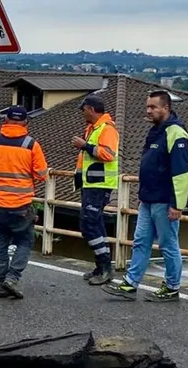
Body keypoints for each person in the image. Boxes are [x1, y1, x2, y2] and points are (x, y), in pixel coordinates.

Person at [103, 90, 188, 302]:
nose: (148, 111)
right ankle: (131, 284)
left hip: (164, 200)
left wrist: (177, 205)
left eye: (153, 107)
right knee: (140, 242)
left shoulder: (176, 133)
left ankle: (172, 287)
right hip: (148, 199)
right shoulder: (156, 132)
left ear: (166, 108)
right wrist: (143, 193)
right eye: (147, 107)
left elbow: (181, 172)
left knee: (168, 245)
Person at [0, 106, 49, 299]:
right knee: (25, 241)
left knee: (0, 243)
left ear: (5, 121)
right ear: (25, 123)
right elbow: (41, 175)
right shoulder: (31, 145)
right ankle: (12, 278)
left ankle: (0, 283)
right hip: (21, 205)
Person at [71, 95, 120, 285]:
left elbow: (108, 154)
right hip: (91, 184)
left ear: (91, 109)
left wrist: (86, 146)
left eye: (83, 109)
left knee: (89, 225)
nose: (82, 113)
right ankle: (102, 267)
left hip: (99, 185)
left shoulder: (107, 128)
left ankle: (105, 267)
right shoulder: (95, 128)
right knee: (94, 225)